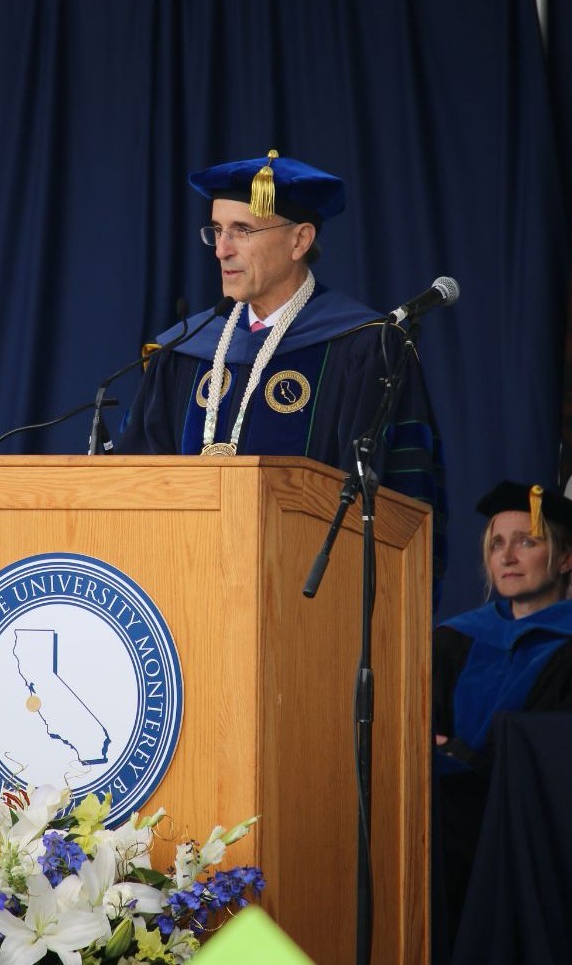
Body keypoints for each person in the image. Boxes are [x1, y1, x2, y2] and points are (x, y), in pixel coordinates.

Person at [116, 149, 446, 583]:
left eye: (242, 231)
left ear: (300, 241)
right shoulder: (184, 350)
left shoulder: (365, 349)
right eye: (216, 231)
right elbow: (135, 480)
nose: (222, 250)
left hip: (308, 596)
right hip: (185, 586)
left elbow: (406, 498)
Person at [433, 480, 572, 951]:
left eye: (526, 542)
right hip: (447, 833)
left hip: (528, 835)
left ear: (564, 559)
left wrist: (460, 756)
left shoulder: (567, 648)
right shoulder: (453, 640)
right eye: (496, 545)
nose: (507, 556)